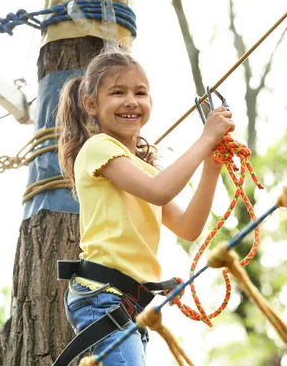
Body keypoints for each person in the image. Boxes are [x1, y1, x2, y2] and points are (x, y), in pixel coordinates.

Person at [54, 49, 234, 366]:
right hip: (102, 296)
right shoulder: (98, 148)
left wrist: (211, 166)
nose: (131, 101)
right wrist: (205, 139)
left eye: (140, 92)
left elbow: (189, 227)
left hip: (127, 302)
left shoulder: (144, 170)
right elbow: (160, 190)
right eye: (117, 92)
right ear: (91, 104)